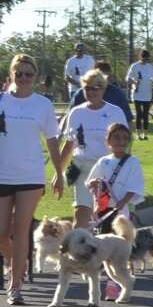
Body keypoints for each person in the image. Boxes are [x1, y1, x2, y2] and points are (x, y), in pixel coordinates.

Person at [0, 53, 63, 305]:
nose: (24, 78)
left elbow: (52, 141)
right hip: (0, 173)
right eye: (19, 73)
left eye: (29, 74)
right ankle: (19, 262)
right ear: (10, 75)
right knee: (0, 233)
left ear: (35, 77)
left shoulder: (43, 105)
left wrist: (58, 172)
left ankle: (15, 286)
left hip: (30, 174)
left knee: (20, 228)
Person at [56, 68, 129, 228]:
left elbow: (124, 144)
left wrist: (126, 171)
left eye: (96, 87)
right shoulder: (76, 113)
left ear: (103, 89)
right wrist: (58, 173)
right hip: (83, 169)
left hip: (109, 170)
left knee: (110, 218)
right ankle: (77, 251)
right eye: (87, 87)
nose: (91, 91)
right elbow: (69, 145)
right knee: (81, 214)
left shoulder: (115, 112)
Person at [86, 123, 145, 222]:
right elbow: (91, 183)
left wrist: (123, 202)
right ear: (108, 141)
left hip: (122, 208)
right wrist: (95, 182)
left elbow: (135, 187)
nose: (121, 141)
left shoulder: (133, 161)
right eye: (116, 137)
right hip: (103, 208)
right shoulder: (103, 161)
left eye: (125, 138)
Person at [69, 60, 134, 125]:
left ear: (109, 75)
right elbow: (70, 117)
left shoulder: (117, 94)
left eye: (104, 78)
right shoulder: (80, 94)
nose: (91, 92)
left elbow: (128, 120)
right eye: (97, 77)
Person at [127, 49, 153, 140]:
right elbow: (128, 78)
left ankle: (145, 134)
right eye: (143, 58)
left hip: (147, 94)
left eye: (146, 59)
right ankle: (138, 134)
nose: (144, 60)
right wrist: (135, 82)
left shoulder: (150, 67)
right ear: (140, 57)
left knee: (145, 115)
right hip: (137, 94)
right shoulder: (134, 66)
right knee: (139, 114)